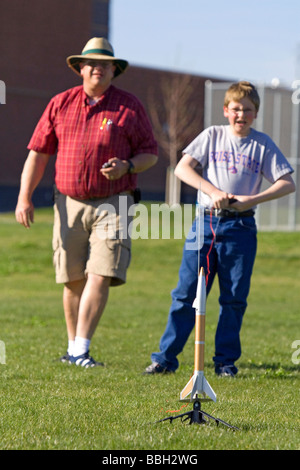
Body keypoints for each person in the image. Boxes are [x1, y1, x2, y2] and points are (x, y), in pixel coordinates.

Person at [15, 38, 158, 368]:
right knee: (72, 277)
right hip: (68, 202)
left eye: (105, 64)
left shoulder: (129, 107)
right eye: (91, 63)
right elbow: (38, 154)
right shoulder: (60, 103)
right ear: (80, 68)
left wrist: (128, 166)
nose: (97, 68)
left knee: (100, 272)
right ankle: (73, 348)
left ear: (113, 70)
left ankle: (81, 349)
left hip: (115, 202)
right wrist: (24, 197)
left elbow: (150, 153)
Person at [145, 81, 295, 377]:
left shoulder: (262, 144)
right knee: (185, 294)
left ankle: (225, 362)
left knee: (234, 298)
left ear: (256, 113)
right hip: (205, 222)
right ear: (226, 110)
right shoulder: (212, 136)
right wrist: (213, 192)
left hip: (241, 226)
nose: (241, 115)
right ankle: (165, 359)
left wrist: (252, 199)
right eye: (236, 109)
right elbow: (182, 168)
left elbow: (287, 183)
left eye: (248, 110)